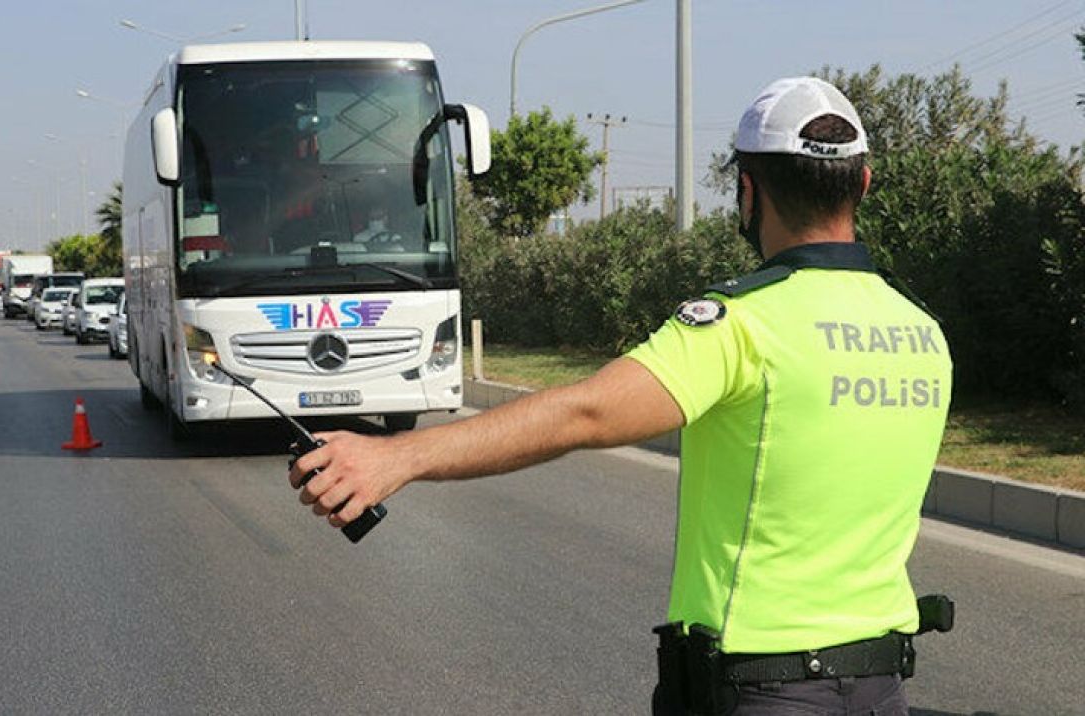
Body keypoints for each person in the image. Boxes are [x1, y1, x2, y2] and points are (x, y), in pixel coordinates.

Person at [289, 77, 953, 715]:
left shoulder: (743, 326)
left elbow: (585, 411)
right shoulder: (922, 332)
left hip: (766, 693)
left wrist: (397, 457)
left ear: (747, 191)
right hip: (883, 691)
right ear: (864, 183)